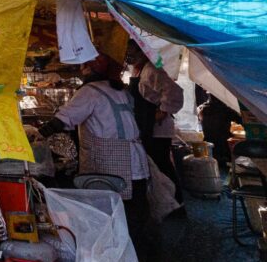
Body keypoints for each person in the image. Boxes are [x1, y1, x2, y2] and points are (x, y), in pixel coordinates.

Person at [39, 54, 150, 246]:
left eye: (84, 66)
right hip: (135, 161)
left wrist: (37, 134)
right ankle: (142, 257)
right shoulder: (120, 91)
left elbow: (64, 119)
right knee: (136, 211)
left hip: (108, 164)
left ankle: (116, 257)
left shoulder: (89, 91)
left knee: (109, 212)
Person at [132, 44, 185, 204]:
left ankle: (175, 202)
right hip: (148, 125)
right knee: (157, 165)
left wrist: (163, 110)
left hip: (158, 128)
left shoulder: (150, 70)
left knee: (161, 164)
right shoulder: (139, 70)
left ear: (142, 53)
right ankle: (165, 200)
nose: (129, 56)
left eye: (132, 52)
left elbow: (174, 91)